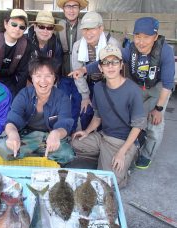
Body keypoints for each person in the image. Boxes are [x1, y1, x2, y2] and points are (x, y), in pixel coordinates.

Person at [70, 17, 175, 169]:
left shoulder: (165, 51)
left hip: (157, 88)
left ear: (156, 36)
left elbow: (167, 84)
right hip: (138, 85)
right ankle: (125, 144)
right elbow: (107, 60)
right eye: (138, 36)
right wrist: (83, 69)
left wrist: (158, 109)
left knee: (153, 123)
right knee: (135, 116)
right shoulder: (131, 49)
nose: (141, 41)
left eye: (146, 37)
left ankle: (145, 154)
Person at [71, 44, 146, 188]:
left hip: (123, 142)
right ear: (100, 67)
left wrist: (121, 152)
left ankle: (123, 164)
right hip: (103, 136)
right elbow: (98, 116)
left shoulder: (133, 90)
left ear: (121, 65)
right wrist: (86, 132)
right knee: (75, 142)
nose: (110, 66)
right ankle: (105, 158)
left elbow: (138, 126)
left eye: (115, 62)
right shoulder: (99, 88)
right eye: (106, 62)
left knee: (110, 183)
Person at [0, 56, 75, 165]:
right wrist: (13, 134)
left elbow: (65, 124)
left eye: (48, 76)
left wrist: (56, 133)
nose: (43, 81)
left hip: (49, 138)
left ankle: (30, 155)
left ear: (54, 78)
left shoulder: (62, 98)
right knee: (3, 148)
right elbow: (12, 120)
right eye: (38, 76)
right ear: (32, 78)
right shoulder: (24, 95)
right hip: (26, 137)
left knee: (67, 154)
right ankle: (40, 155)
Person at [72, 11, 121, 129]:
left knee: (106, 114)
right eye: (84, 29)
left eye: (92, 28)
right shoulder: (78, 46)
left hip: (107, 85)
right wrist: (85, 96)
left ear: (101, 28)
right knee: (85, 112)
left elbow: (117, 72)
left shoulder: (112, 44)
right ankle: (87, 141)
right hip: (88, 83)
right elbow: (77, 72)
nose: (88, 33)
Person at [56, 0, 89, 132]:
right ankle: (63, 131)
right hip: (63, 74)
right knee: (62, 104)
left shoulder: (84, 26)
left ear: (79, 9)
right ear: (63, 9)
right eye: (68, 6)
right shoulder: (58, 26)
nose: (71, 10)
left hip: (80, 74)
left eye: (74, 6)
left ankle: (74, 131)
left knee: (78, 103)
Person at [0, 9, 31, 97]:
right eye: (14, 24)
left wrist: (19, 96)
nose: (17, 29)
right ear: (6, 24)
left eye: (22, 27)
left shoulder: (25, 45)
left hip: (10, 79)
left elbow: (23, 73)